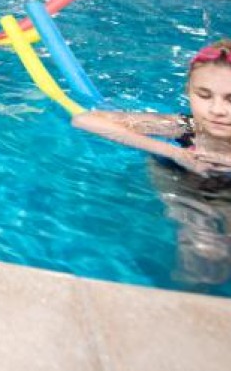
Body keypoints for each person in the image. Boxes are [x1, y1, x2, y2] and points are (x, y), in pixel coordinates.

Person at [73, 41, 231, 283]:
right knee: (204, 247)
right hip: (181, 179)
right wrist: (176, 153)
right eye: (204, 95)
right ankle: (190, 295)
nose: (217, 110)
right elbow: (86, 120)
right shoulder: (186, 126)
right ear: (188, 91)